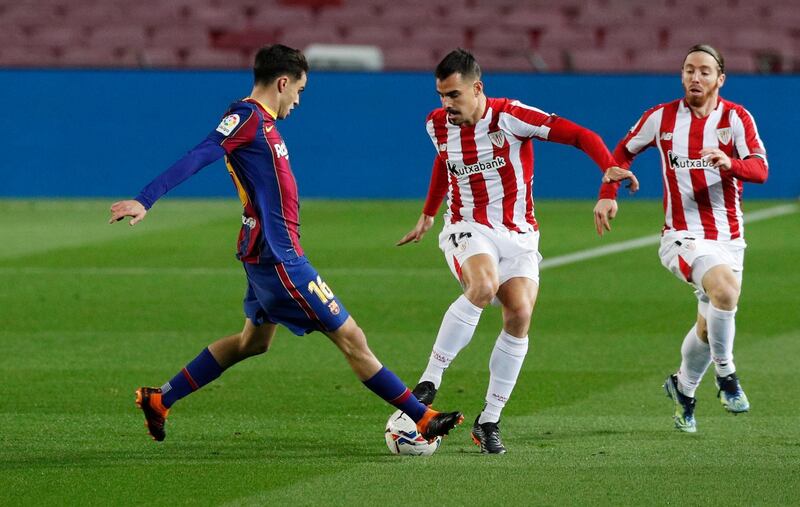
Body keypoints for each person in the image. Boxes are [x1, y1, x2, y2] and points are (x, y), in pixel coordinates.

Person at [109, 44, 463, 444]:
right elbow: (202, 153)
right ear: (282, 82)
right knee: (352, 338)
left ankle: (161, 399)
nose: (298, 99)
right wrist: (146, 197)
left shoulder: (258, 121)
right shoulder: (245, 117)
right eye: (299, 89)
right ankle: (421, 417)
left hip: (265, 252)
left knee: (251, 343)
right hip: (280, 259)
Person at [397, 48, 637, 453]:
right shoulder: (436, 125)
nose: (445, 104)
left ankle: (489, 419)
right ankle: (429, 380)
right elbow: (445, 161)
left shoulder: (511, 116)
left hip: (520, 233)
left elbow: (579, 135)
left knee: (520, 313)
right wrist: (429, 213)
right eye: (441, 95)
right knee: (483, 285)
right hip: (467, 225)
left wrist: (606, 175)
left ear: (477, 89)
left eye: (454, 95)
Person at [594, 44, 768, 433]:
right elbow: (622, 151)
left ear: (720, 79)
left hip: (729, 238)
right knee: (725, 291)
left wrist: (731, 163)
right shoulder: (661, 118)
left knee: (709, 327)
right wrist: (608, 194)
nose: (695, 77)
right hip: (682, 236)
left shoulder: (737, 118)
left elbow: (760, 169)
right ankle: (727, 378)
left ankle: (684, 390)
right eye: (689, 69)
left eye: (705, 71)